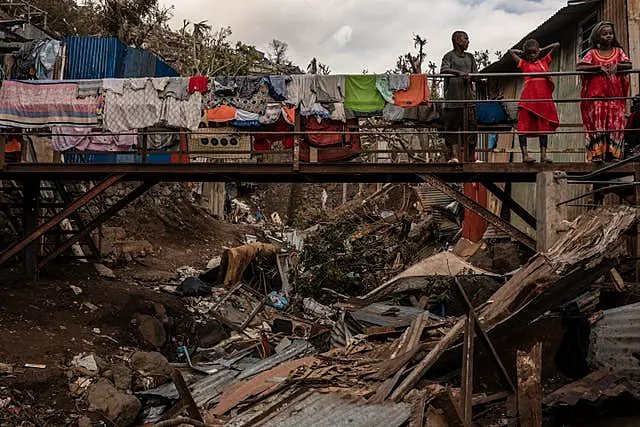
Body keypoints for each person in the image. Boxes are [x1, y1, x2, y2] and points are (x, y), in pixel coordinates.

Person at [576, 21, 632, 163]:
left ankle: (613, 155)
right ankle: (596, 154)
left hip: (615, 96)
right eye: (605, 34)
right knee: (597, 125)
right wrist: (597, 68)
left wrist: (617, 66)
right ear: (597, 37)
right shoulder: (592, 53)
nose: (608, 36)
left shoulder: (618, 52)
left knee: (615, 125)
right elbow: (580, 67)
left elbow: (629, 64)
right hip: (596, 96)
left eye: (610, 33)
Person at [509, 39, 561, 163]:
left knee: (543, 128)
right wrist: (522, 52)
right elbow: (511, 52)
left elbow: (557, 45)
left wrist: (542, 49)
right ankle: (525, 156)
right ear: (526, 54)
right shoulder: (524, 64)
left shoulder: (545, 61)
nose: (532, 55)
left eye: (534, 52)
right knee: (523, 127)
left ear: (538, 51)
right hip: (528, 99)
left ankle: (543, 156)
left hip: (542, 99)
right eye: (529, 53)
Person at [440, 31, 478, 163]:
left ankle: (471, 157)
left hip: (469, 99)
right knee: (452, 129)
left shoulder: (470, 57)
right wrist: (460, 73)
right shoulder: (449, 56)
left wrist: (470, 77)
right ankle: (454, 156)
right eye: (465, 38)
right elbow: (443, 70)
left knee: (472, 129)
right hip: (453, 99)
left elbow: (476, 76)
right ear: (457, 40)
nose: (468, 41)